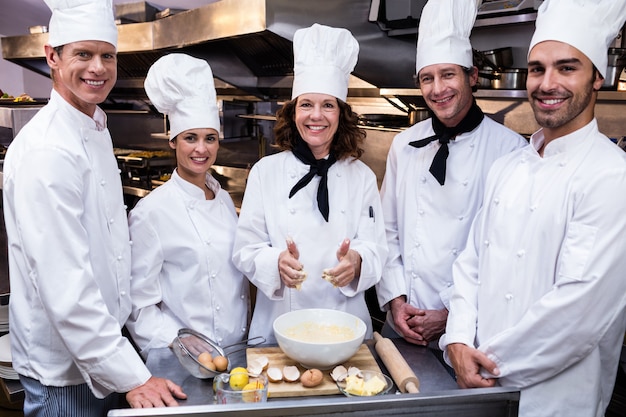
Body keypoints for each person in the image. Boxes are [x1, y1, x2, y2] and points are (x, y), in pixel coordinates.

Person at [439, 0, 626, 415]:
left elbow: (579, 314)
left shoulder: (612, 176)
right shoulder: (507, 167)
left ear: (598, 77)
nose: (547, 83)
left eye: (567, 67)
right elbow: (471, 265)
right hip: (478, 386)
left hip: (555, 399)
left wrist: (488, 366)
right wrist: (455, 340)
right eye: (537, 69)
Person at [2, 1, 186, 415]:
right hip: (67, 374)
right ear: (52, 56)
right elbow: (66, 286)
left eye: (107, 55)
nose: (98, 68)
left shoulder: (95, 127)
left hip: (106, 351)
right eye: (83, 54)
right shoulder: (48, 150)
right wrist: (133, 376)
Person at [376, 0, 526, 348]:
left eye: (448, 75)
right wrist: (396, 300)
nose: (437, 89)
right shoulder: (404, 144)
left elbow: (504, 256)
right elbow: (387, 230)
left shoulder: (511, 151)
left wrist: (450, 315)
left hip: (469, 329)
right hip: (402, 324)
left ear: (472, 76)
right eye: (427, 78)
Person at [232, 23, 388, 344]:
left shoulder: (361, 177)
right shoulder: (265, 172)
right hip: (278, 328)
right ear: (293, 112)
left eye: (327, 105)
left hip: (345, 329)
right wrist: (275, 262)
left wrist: (357, 261)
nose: (316, 116)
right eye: (306, 104)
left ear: (341, 114)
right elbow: (245, 250)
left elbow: (377, 248)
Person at [125, 54, 249, 357]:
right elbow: (136, 304)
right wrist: (175, 340)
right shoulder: (151, 212)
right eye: (190, 138)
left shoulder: (222, 199)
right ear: (173, 142)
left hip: (238, 353)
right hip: (182, 357)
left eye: (210, 138)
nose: (201, 149)